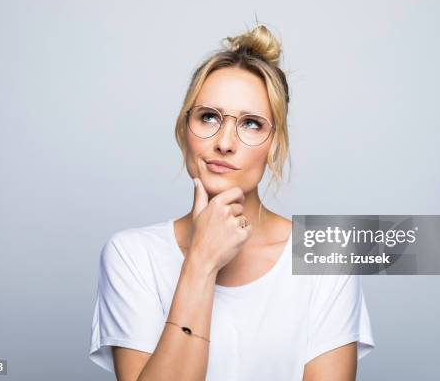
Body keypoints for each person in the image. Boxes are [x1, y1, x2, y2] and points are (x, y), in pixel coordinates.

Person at [88, 23, 375, 380]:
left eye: (251, 124)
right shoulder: (131, 256)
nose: (224, 142)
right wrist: (201, 262)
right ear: (184, 129)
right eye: (209, 117)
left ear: (274, 146)